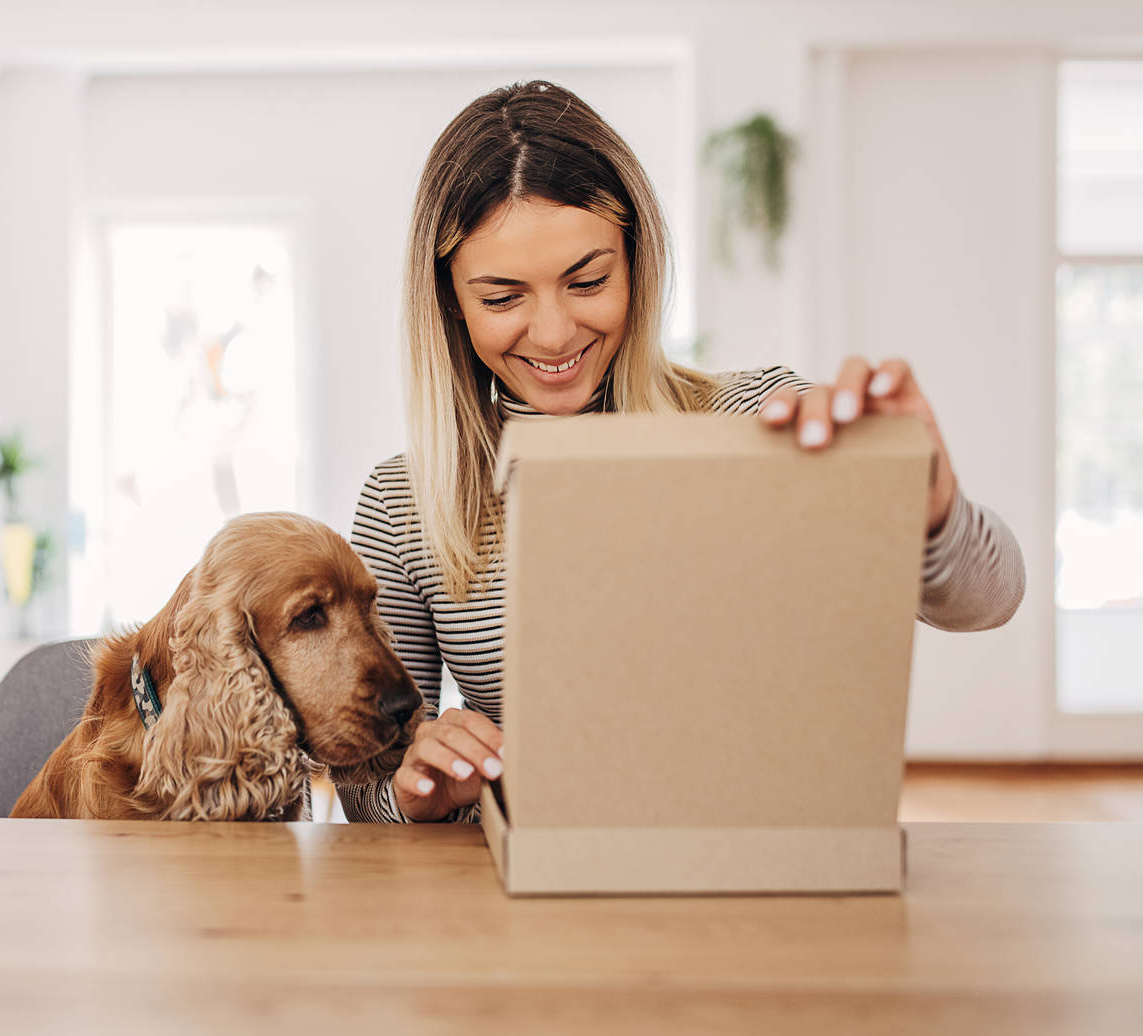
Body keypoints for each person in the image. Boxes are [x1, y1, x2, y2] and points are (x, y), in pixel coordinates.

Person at [337, 81, 1025, 825]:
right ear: (449, 301)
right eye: (502, 298)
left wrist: (928, 512)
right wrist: (420, 793)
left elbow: (989, 601)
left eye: (588, 281)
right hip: (533, 878)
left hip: (765, 861)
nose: (554, 333)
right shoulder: (404, 503)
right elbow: (366, 796)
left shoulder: (757, 422)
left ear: (638, 261)